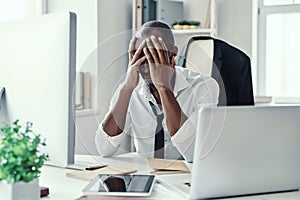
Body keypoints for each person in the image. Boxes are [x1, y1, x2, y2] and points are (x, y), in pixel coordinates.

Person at [95, 21, 219, 162]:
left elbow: (194, 153)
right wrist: (126, 88)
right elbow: (104, 149)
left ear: (173, 54)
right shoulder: (131, 86)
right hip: (146, 173)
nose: (146, 67)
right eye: (141, 54)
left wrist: (163, 88)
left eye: (154, 54)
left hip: (186, 176)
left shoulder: (205, 87)